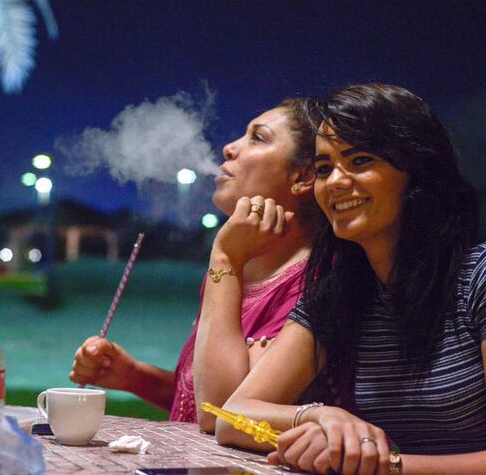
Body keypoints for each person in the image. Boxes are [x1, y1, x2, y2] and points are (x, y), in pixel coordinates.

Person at [216, 83, 486, 474]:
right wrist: (320, 417)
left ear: (415, 173)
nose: (337, 182)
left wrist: (378, 466)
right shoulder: (341, 295)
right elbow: (232, 416)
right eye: (325, 168)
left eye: (360, 160)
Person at [69, 98, 323, 431]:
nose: (230, 148)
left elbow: (220, 415)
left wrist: (225, 258)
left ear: (303, 176)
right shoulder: (232, 275)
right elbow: (202, 394)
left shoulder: (315, 284)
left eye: (257, 138)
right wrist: (134, 376)